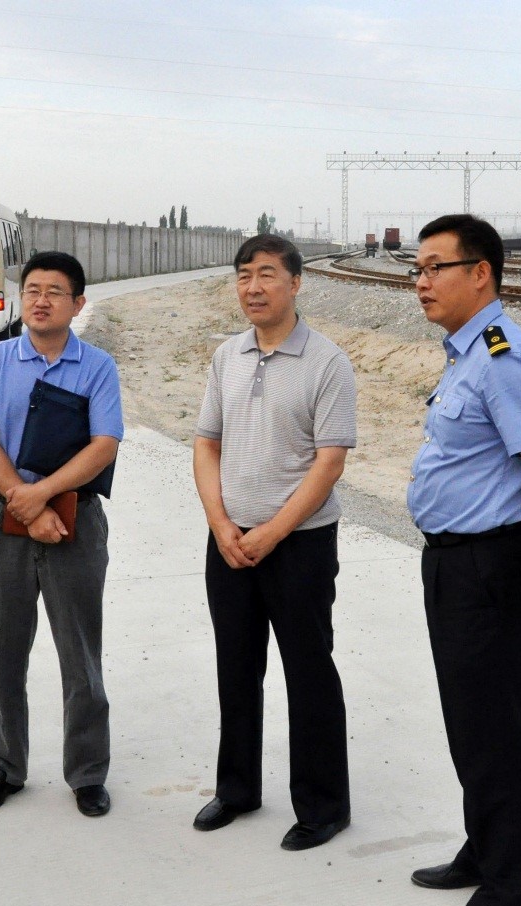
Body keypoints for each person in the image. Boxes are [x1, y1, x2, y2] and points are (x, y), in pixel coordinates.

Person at [404, 215, 521, 906]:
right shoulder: (467, 353)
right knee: (469, 719)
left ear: (480, 273)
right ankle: (484, 848)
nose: (421, 282)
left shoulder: (503, 356)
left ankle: (509, 889)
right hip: (455, 562)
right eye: (416, 270)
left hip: (489, 565)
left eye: (434, 268)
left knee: (493, 727)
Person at [191, 233, 357, 851]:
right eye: (243, 276)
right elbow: (206, 443)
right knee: (235, 670)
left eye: (266, 274)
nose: (253, 287)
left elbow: (330, 462)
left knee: (309, 673)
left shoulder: (328, 362)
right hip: (230, 544)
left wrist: (272, 531)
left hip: (300, 546)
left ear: (295, 283)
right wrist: (221, 524)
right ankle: (237, 789)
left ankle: (323, 806)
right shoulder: (226, 356)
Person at [0, 251, 122, 818]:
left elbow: (104, 444)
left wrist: (43, 495)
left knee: (81, 653)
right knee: (4, 651)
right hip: (3, 519)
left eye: (55, 291)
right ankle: (2, 768)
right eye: (31, 289)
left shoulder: (97, 366)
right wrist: (25, 505)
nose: (41, 300)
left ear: (78, 304)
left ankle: (87, 773)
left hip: (76, 519)